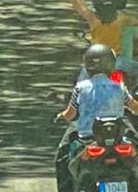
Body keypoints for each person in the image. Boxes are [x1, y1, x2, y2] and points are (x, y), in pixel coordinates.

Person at [56, 45, 138, 187]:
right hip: (118, 138)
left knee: (63, 152)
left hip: (88, 139)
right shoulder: (119, 87)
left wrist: (61, 116)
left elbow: (70, 114)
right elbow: (134, 107)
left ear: (87, 65)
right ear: (111, 64)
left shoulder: (80, 88)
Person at [66, 0, 138, 79]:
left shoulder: (93, 19)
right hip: (117, 61)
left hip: (97, 63)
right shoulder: (125, 20)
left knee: (82, 81)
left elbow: (77, 2)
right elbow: (76, 2)